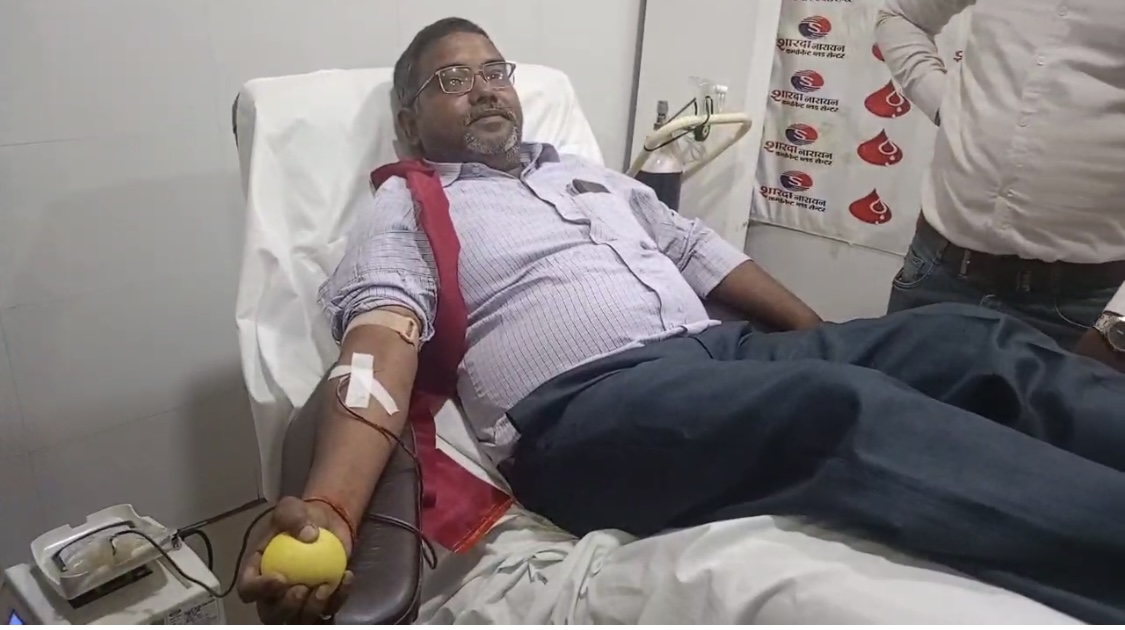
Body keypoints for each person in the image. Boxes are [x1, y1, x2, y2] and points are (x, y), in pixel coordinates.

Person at [236, 17, 1125, 624]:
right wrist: (332, 511)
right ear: (408, 120)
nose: (486, 89)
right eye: (452, 79)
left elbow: (705, 256)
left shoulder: (588, 176)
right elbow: (379, 342)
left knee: (966, 340)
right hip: (587, 414)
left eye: (495, 71)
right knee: (837, 408)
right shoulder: (407, 202)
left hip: (720, 359)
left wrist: (834, 342)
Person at [876, 0, 1125, 371]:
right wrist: (945, 106)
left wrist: (1120, 323)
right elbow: (900, 15)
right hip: (939, 274)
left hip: (1083, 309)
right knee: (886, 407)